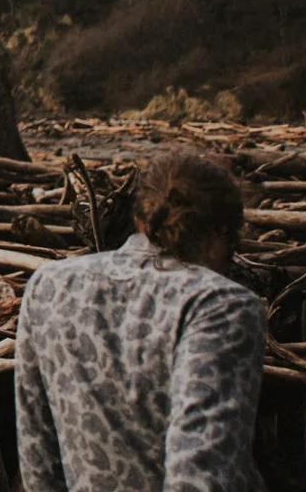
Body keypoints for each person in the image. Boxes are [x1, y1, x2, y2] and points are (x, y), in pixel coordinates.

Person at [15, 150, 267, 491]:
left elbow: (36, 457)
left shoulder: (49, 285)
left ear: (140, 219)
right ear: (223, 235)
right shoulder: (220, 305)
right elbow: (201, 475)